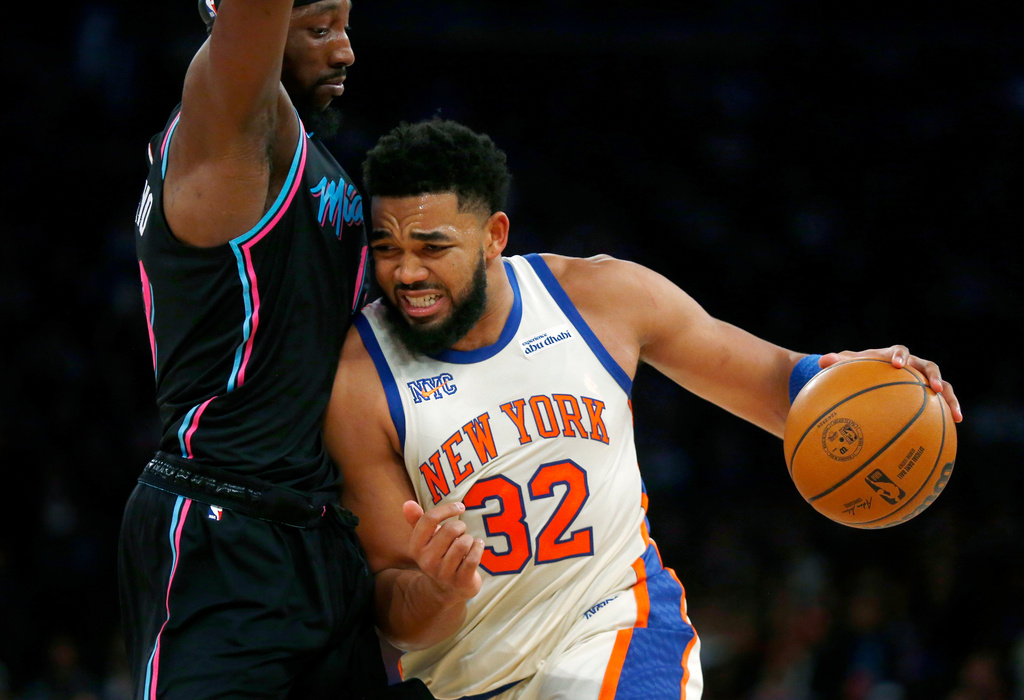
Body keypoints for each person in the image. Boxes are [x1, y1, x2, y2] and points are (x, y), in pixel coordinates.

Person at [323, 118, 963, 700]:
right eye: (387, 248)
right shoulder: (361, 377)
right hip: (467, 679)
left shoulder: (600, 298)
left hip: (618, 633)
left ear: (494, 235)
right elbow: (392, 606)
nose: (406, 273)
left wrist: (870, 382)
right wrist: (437, 590)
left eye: (432, 249)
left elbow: (779, 386)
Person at [120, 1, 431, 698]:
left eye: (348, 26)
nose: (346, 51)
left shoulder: (304, 154)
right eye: (320, 29)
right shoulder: (226, 122)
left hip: (319, 537)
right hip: (221, 532)